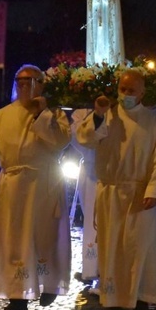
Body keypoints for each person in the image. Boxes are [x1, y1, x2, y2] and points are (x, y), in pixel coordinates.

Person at [0, 64, 72, 310]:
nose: (24, 85)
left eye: (31, 81)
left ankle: (48, 284)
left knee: (45, 235)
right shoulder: (2, 115)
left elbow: (61, 141)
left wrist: (40, 114)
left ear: (41, 84)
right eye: (20, 81)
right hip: (13, 185)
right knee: (13, 240)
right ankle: (17, 295)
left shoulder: (53, 114)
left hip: (43, 183)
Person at [76, 69, 156, 310]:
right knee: (112, 248)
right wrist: (97, 114)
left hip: (139, 194)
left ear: (142, 92)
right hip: (111, 191)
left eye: (132, 90)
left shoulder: (153, 123)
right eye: (123, 89)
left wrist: (154, 190)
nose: (126, 94)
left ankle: (139, 298)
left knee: (139, 247)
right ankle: (115, 301)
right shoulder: (107, 115)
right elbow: (85, 139)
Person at [69, 109, 99, 290]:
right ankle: (90, 267)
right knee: (90, 222)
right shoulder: (82, 114)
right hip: (89, 172)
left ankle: (101, 269)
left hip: (106, 171)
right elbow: (78, 139)